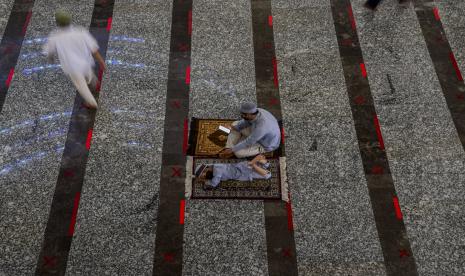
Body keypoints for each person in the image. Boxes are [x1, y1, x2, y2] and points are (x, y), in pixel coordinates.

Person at [43, 10, 106, 109]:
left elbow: (49, 51)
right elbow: (93, 49)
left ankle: (92, 103)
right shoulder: (81, 32)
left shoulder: (54, 37)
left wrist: (51, 58)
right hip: (86, 62)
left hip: (72, 67)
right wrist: (102, 61)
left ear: (57, 23)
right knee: (88, 73)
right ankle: (94, 83)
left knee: (81, 86)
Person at [195, 154, 271, 188]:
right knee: (265, 167)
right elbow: (208, 168)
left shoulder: (217, 172)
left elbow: (214, 184)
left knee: (267, 175)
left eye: (204, 174)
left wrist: (204, 181)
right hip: (241, 167)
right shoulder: (214, 165)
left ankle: (253, 164)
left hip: (241, 172)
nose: (204, 176)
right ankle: (253, 164)